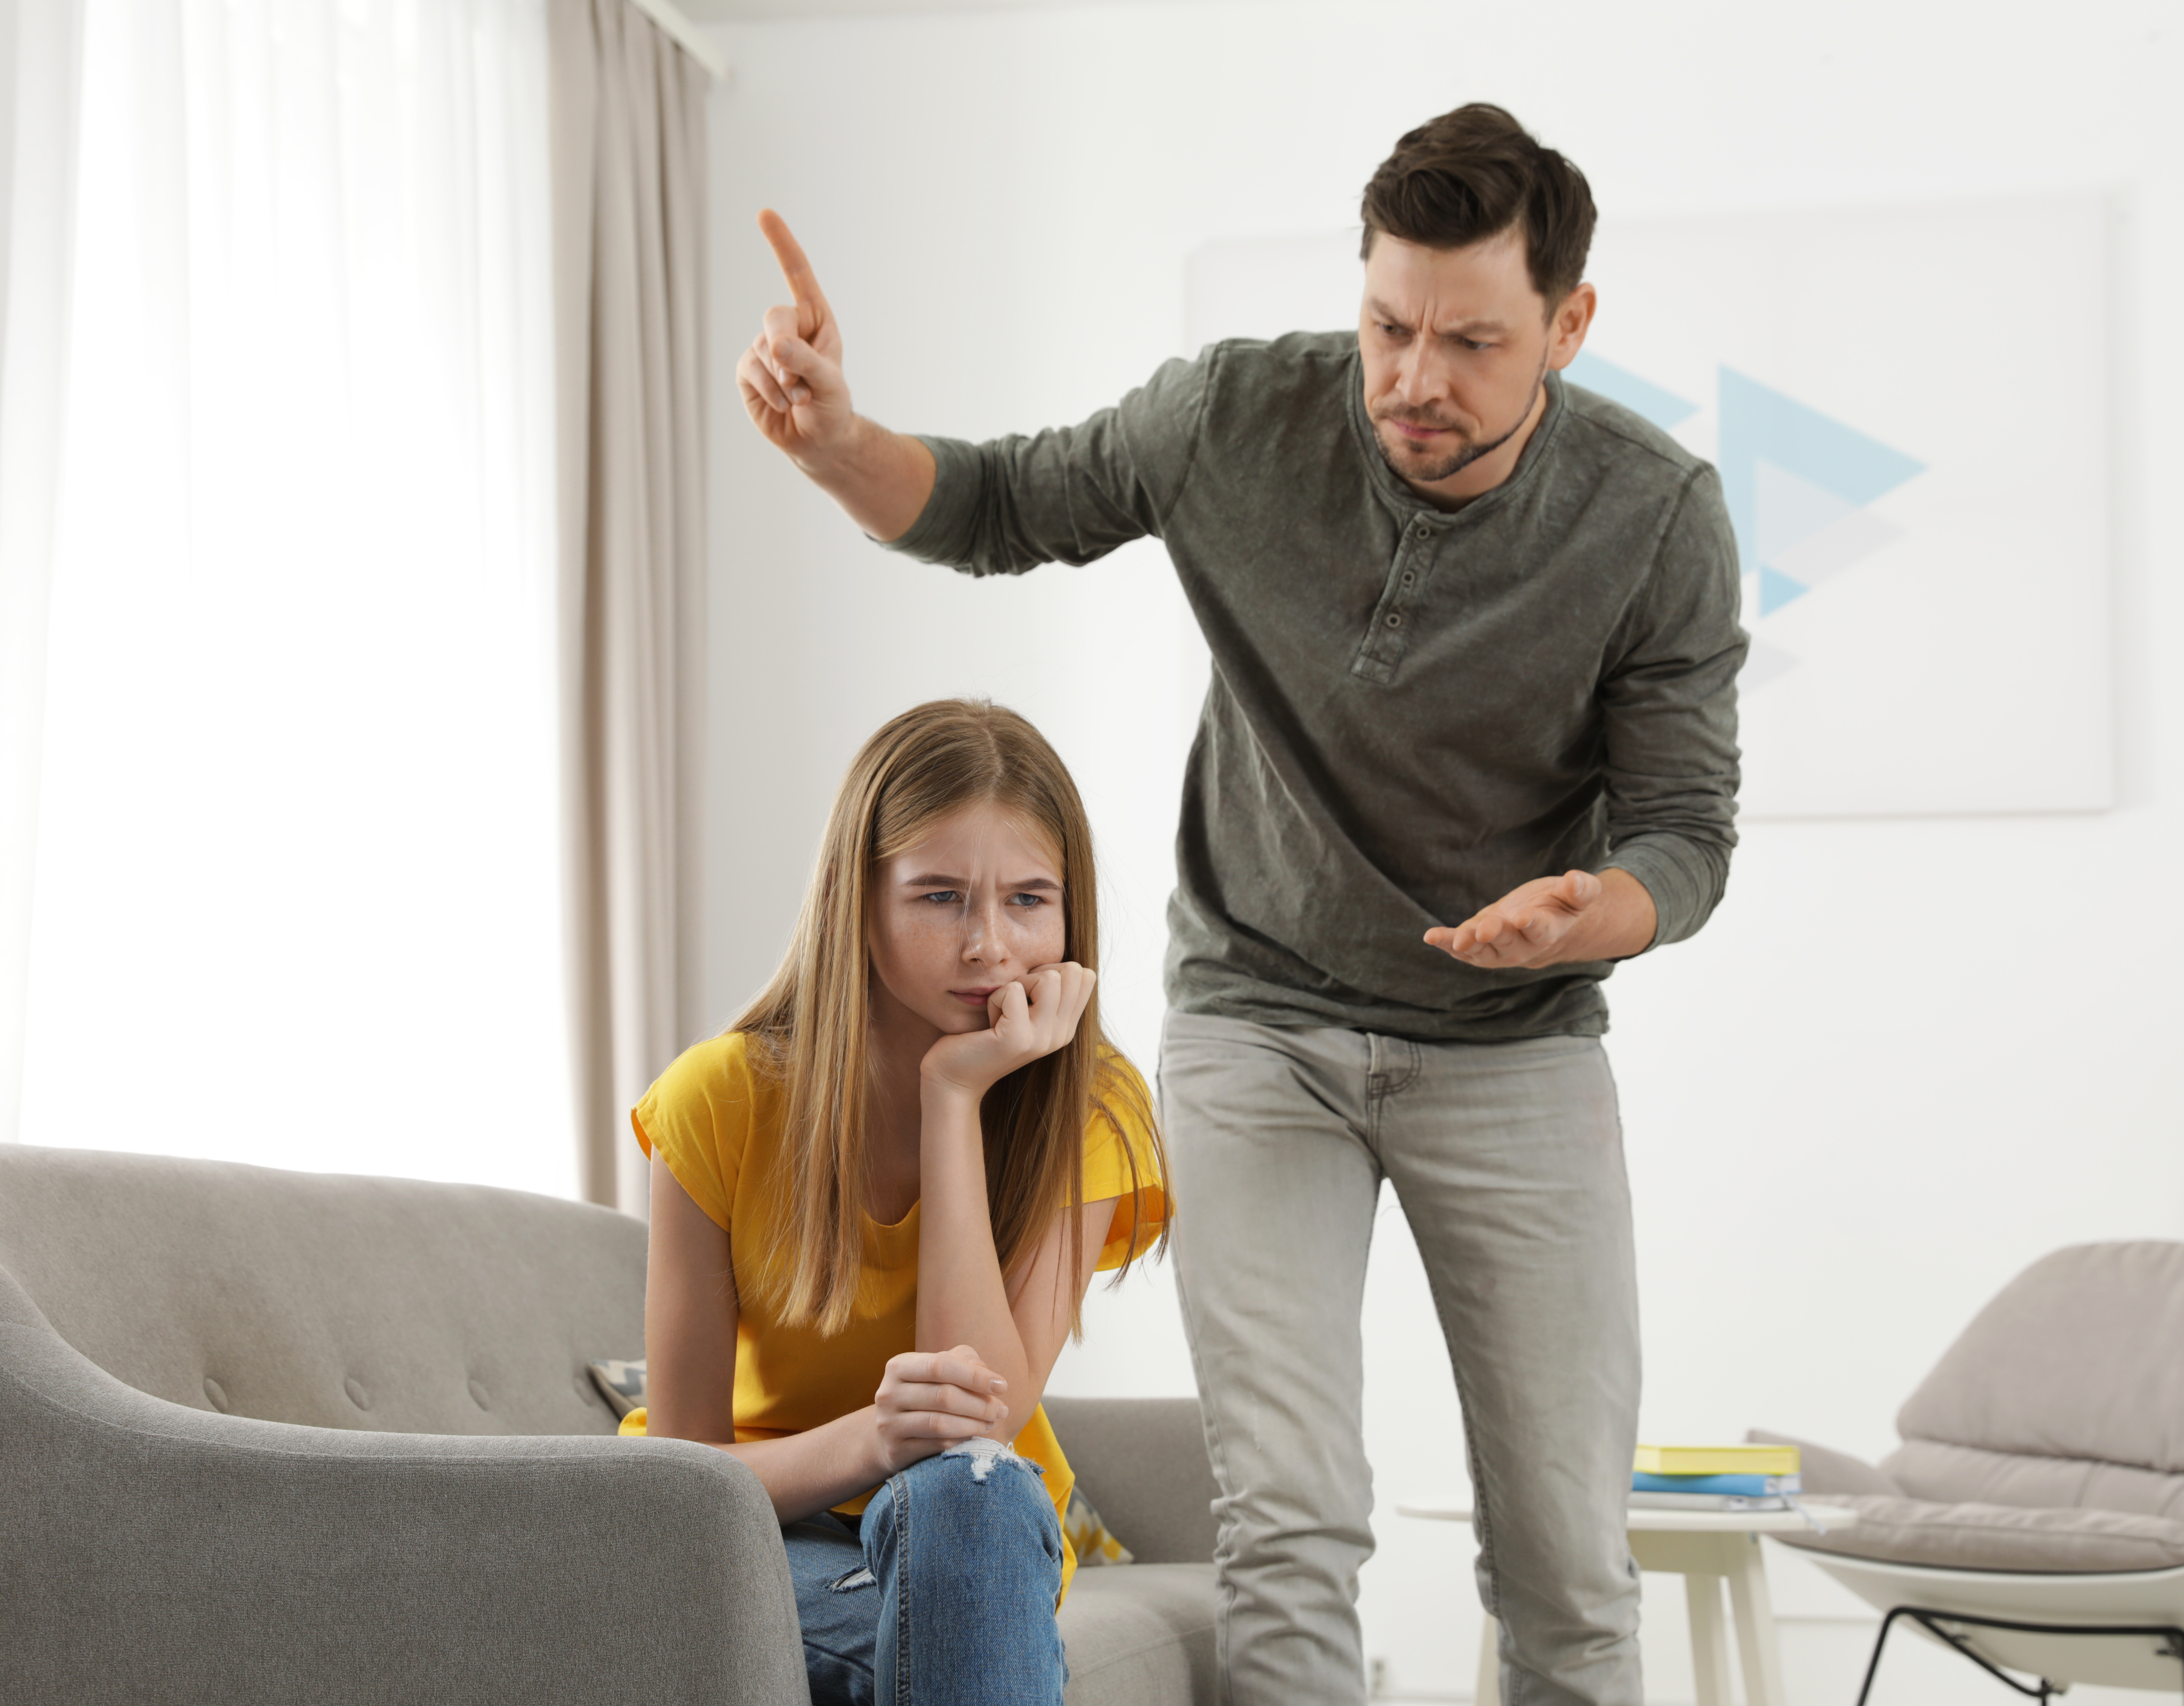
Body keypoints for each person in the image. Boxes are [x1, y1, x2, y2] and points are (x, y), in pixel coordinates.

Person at [732, 104, 1746, 1706]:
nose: (1417, 380)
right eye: (1388, 326)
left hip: (1515, 1045)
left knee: (1561, 1545)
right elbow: (1002, 505)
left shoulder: (1654, 517)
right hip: (1256, 1026)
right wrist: (839, 442)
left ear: (1569, 324)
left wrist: (1604, 908)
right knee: (1287, 1521)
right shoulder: (1233, 417)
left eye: (1474, 342)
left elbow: (1688, 828)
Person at [625, 698, 1172, 1706]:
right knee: (948, 1637)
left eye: (1028, 900)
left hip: (977, 1531)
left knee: (972, 1493)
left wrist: (954, 1096)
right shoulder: (720, 1100)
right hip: (757, 1528)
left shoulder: (1092, 1105)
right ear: (857, 901)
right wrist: (870, 1442)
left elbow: (980, 1424)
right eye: (939, 897)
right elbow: (684, 1476)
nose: (990, 948)